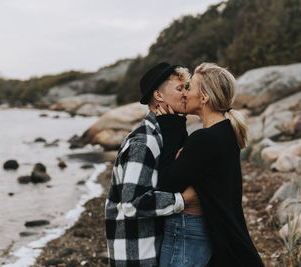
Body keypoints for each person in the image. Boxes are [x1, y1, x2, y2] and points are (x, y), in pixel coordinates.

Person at [155, 63, 264, 266]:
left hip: (204, 239)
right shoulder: (225, 131)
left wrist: (169, 129)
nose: (185, 93)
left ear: (204, 97)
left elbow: (164, 184)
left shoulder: (205, 139)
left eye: (190, 87)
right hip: (227, 238)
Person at [105, 62, 197, 267]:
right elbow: (132, 203)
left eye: (186, 88)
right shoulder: (143, 142)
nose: (185, 94)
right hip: (136, 256)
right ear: (159, 95)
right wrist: (183, 199)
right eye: (180, 88)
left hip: (150, 250)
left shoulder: (161, 134)